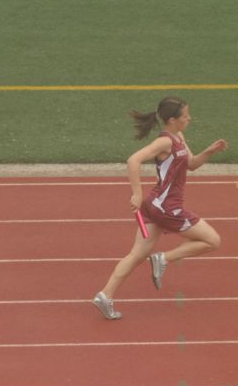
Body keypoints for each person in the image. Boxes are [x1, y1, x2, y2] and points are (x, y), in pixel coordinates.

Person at [93, 96, 228, 320]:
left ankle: (104, 296)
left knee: (137, 254)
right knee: (212, 241)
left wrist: (210, 150)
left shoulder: (179, 137)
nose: (190, 119)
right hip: (166, 208)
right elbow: (133, 161)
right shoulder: (165, 142)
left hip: (155, 207)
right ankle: (163, 259)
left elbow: (191, 164)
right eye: (186, 116)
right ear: (173, 120)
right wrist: (136, 193)